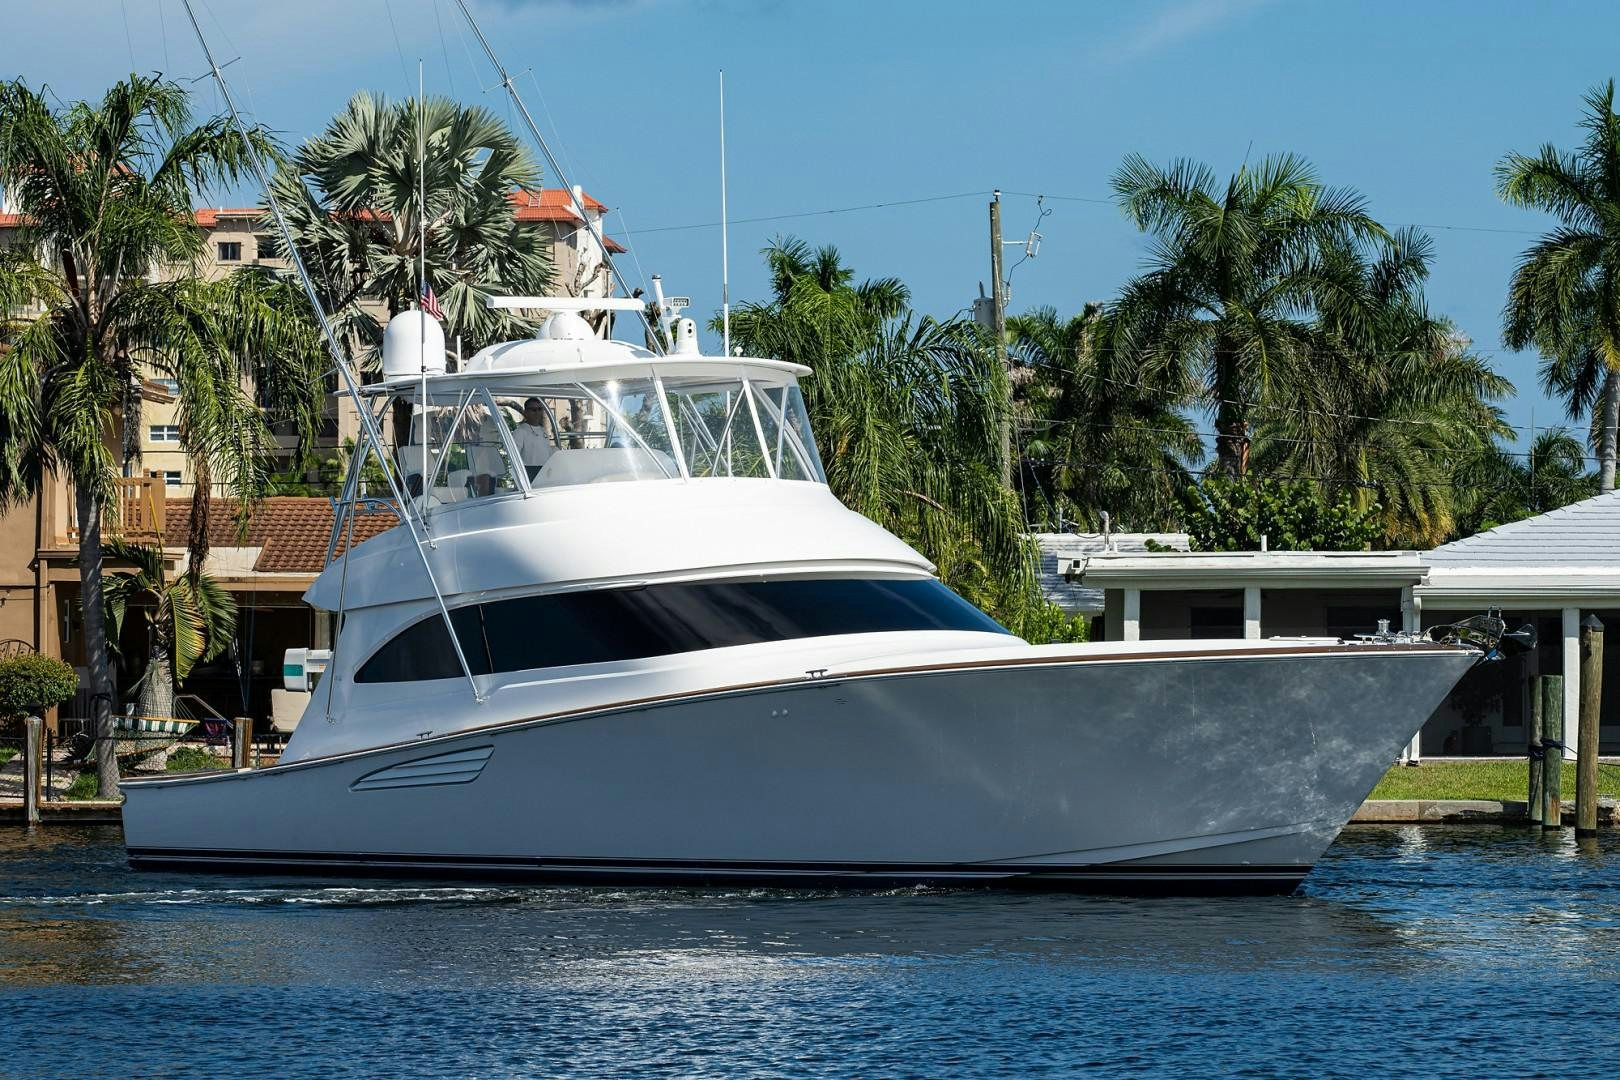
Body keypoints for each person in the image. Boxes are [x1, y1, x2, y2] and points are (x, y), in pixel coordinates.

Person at [511, 397, 556, 480]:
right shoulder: (520, 432)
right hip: (529, 472)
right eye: (533, 410)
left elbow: (547, 451)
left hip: (545, 471)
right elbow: (514, 456)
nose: (537, 412)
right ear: (526, 412)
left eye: (539, 409)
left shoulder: (543, 430)